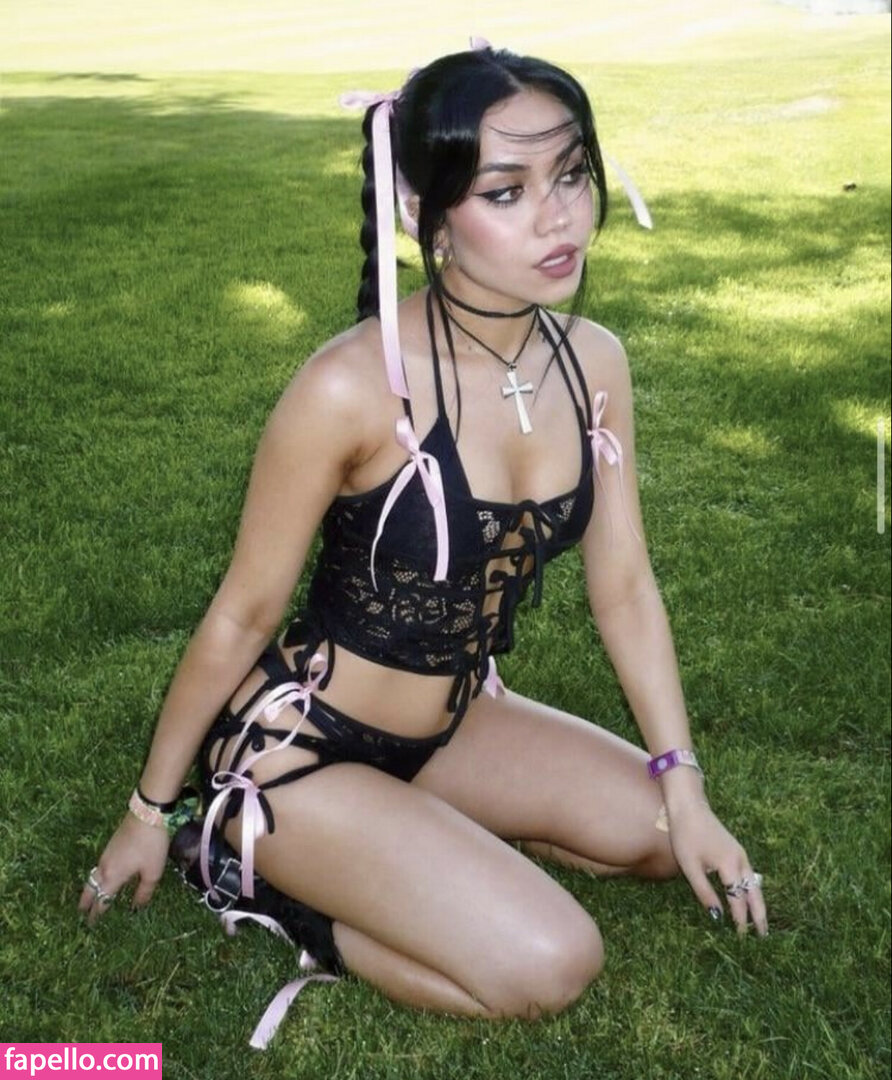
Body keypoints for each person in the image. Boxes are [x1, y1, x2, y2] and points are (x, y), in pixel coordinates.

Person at [79, 43, 767, 1039]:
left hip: (454, 725)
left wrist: (684, 779)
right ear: (423, 210)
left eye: (572, 175)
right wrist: (147, 814)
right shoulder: (350, 386)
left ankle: (412, 840)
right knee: (551, 962)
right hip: (301, 750)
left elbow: (622, 586)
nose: (558, 216)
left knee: (662, 833)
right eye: (507, 190)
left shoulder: (593, 362)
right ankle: (239, 862)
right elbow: (243, 613)